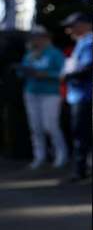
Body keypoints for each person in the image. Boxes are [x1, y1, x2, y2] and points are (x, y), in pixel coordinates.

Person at [17, 27, 67, 170]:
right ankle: (39, 157)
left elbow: (63, 73)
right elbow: (21, 75)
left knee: (50, 125)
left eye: (38, 37)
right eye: (33, 37)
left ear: (46, 37)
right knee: (35, 127)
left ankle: (61, 155)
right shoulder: (29, 54)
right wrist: (24, 69)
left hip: (51, 93)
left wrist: (46, 75)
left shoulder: (55, 53)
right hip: (31, 93)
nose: (35, 40)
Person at [60, 12, 93, 182]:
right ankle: (82, 169)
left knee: (83, 135)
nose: (68, 30)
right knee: (80, 135)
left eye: (72, 26)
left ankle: (81, 170)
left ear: (83, 24)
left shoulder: (89, 41)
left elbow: (88, 67)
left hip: (85, 97)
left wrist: (68, 75)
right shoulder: (82, 42)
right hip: (78, 96)